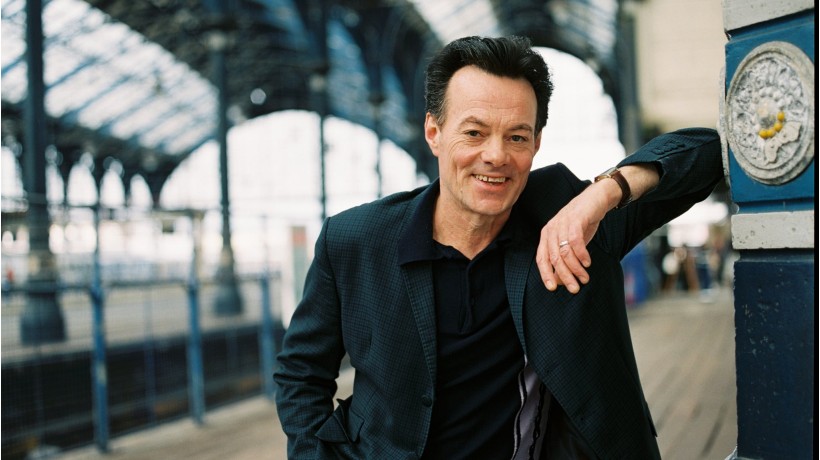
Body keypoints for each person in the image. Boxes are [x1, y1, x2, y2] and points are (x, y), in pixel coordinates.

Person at [274, 35, 723, 459]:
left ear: (536, 143)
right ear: (434, 132)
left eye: (517, 137)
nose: (496, 155)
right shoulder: (355, 241)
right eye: (474, 133)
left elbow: (706, 153)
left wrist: (604, 193)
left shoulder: (572, 224)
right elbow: (300, 375)